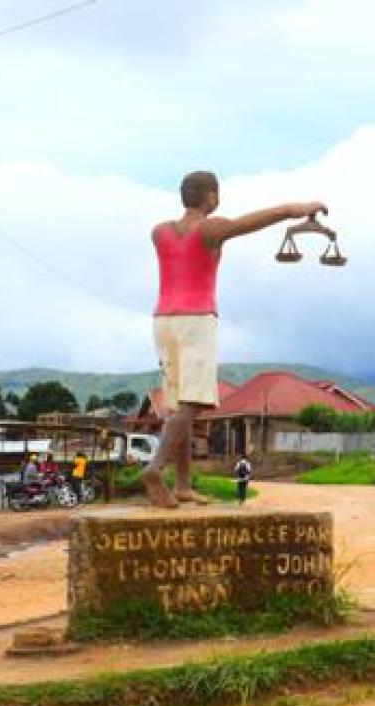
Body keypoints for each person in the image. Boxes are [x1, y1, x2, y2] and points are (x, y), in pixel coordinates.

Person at [138, 170, 328, 508]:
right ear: (210, 195)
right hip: (196, 320)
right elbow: (253, 222)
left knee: (180, 406)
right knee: (192, 404)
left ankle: (182, 485)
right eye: (217, 193)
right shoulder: (211, 229)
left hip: (163, 321)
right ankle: (155, 470)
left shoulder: (159, 232)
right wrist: (298, 208)